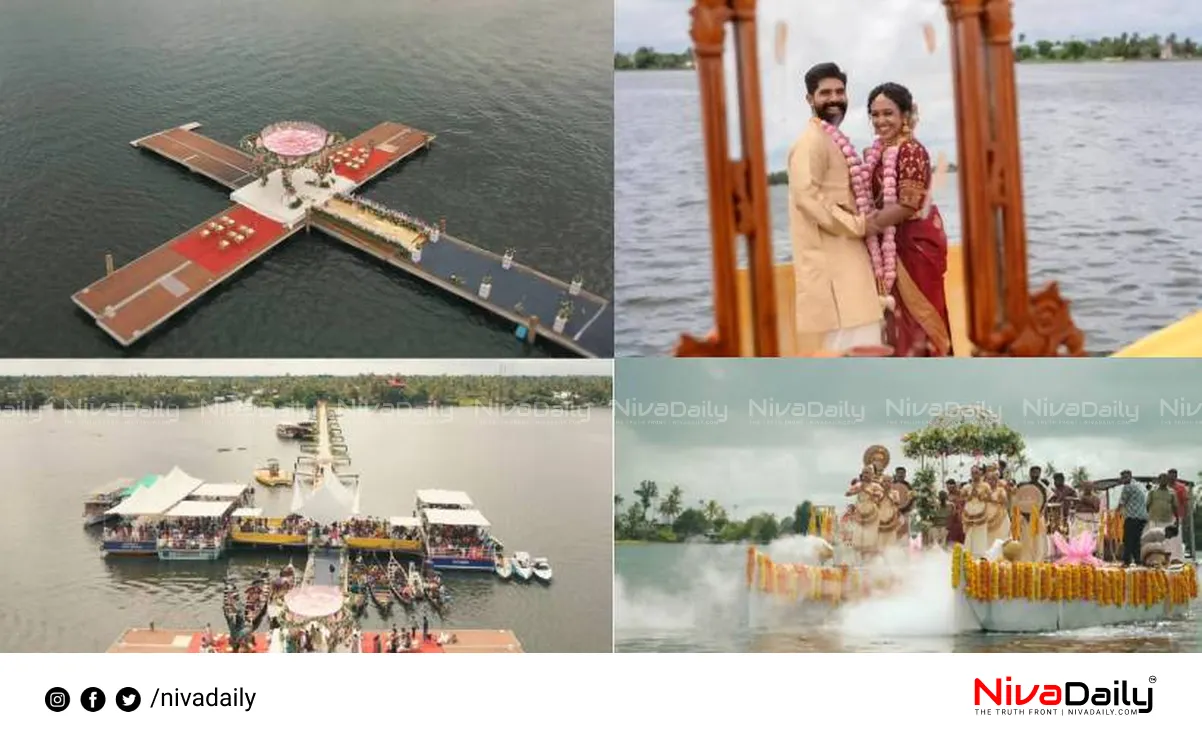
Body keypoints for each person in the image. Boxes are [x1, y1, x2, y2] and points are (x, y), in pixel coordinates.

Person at [787, 62, 884, 354]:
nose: (834, 98)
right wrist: (859, 225)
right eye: (825, 93)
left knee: (861, 344)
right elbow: (807, 198)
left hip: (848, 260)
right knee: (854, 347)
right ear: (810, 100)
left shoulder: (830, 139)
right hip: (835, 269)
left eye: (839, 91)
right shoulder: (811, 141)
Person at [864, 82, 953, 356]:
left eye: (888, 113)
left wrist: (863, 227)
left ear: (904, 115)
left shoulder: (911, 150)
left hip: (916, 245)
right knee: (895, 320)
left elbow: (908, 203)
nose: (880, 121)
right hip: (889, 246)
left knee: (920, 319)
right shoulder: (874, 153)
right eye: (875, 114)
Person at [1118, 470, 1148, 565]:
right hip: (1142, 517)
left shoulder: (1127, 487)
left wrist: (1115, 512)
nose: (1123, 480)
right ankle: (1138, 560)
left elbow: (1122, 503)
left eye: (1124, 477)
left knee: (1128, 539)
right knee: (1137, 540)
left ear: (1129, 477)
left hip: (1132, 516)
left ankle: (1127, 561)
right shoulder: (1139, 485)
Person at [1168, 468, 1193, 557]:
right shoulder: (1165, 487)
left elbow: (1185, 503)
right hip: (1165, 516)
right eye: (1170, 476)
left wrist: (1186, 516)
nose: (1172, 478)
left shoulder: (1181, 487)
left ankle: (1177, 555)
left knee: (1177, 536)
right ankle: (1168, 555)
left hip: (1178, 516)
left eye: (1174, 476)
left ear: (1176, 477)